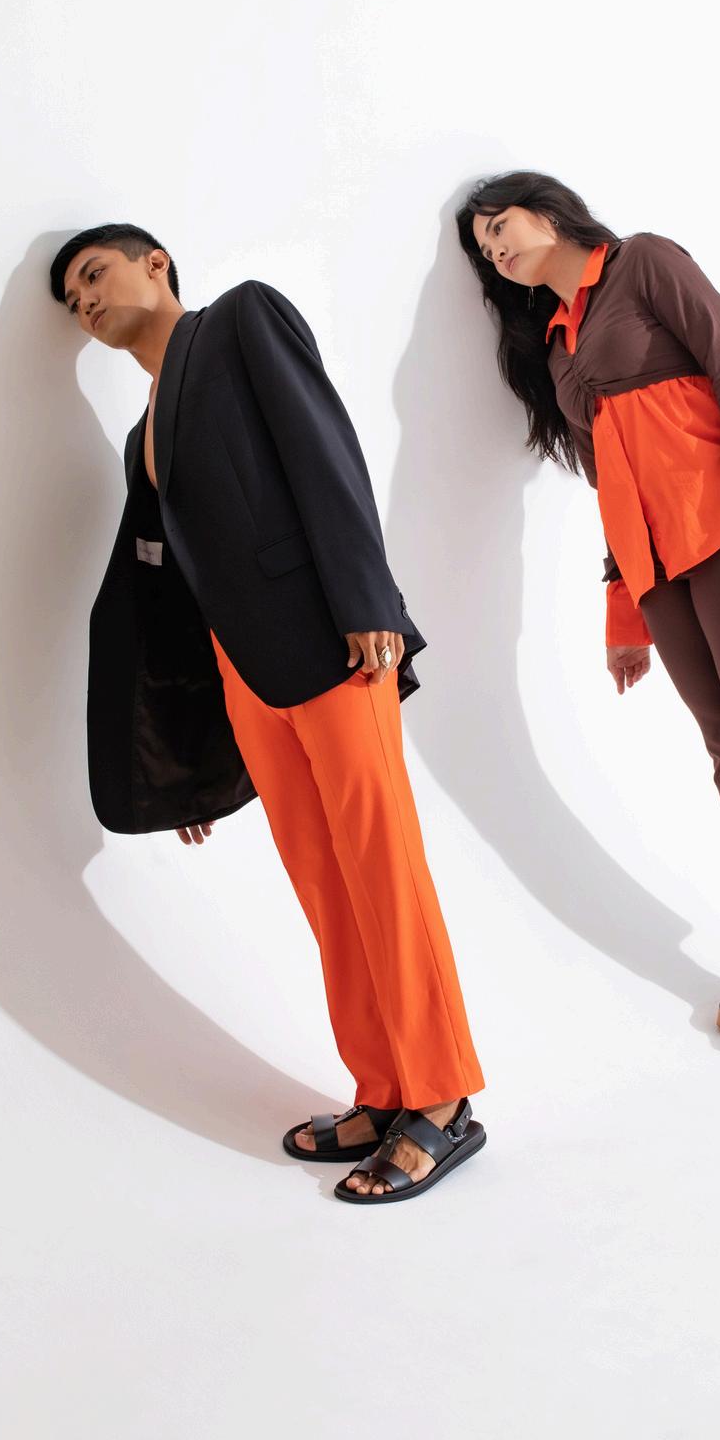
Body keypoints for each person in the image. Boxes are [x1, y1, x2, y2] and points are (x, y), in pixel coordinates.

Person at [50, 224, 485, 1196]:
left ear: (154, 263)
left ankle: (443, 1097)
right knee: (325, 885)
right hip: (245, 682)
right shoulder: (140, 434)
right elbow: (175, 594)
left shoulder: (241, 320)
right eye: (72, 298)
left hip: (331, 643)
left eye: (92, 273)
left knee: (382, 867)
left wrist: (369, 600)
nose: (84, 299)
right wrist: (189, 758)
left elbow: (322, 446)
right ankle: (383, 1088)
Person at [457, 173, 720, 1055]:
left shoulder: (642, 263)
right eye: (484, 248)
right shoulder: (557, 348)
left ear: (548, 210)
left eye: (500, 225)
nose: (495, 248)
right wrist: (624, 609)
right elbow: (610, 479)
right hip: (657, 567)